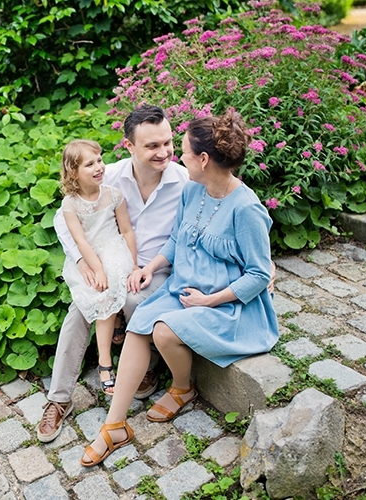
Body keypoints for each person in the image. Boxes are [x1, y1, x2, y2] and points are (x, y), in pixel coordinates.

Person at [80, 110, 280, 466]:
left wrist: (210, 300)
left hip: (229, 307)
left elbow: (259, 275)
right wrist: (150, 267)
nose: (176, 157)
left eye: (183, 151)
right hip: (183, 289)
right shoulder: (193, 190)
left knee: (163, 329)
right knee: (141, 321)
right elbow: (177, 239)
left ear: (203, 160)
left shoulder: (246, 208)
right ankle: (114, 426)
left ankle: (182, 387)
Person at [37, 105, 190, 443]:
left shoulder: (184, 181)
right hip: (108, 264)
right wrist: (83, 264)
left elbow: (211, 212)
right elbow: (65, 220)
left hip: (156, 270)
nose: (164, 152)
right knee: (79, 311)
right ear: (128, 146)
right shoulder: (109, 176)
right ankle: (59, 399)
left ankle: (146, 368)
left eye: (167, 142)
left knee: (136, 300)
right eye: (152, 146)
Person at [58, 140, 139, 395]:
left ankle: (105, 362)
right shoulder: (70, 205)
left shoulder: (113, 194)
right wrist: (97, 268)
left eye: (100, 160)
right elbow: (80, 240)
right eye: (90, 164)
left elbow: (126, 230)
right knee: (98, 290)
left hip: (114, 248)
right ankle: (109, 347)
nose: (98, 167)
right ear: (73, 172)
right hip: (89, 255)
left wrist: (134, 265)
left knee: (112, 282)